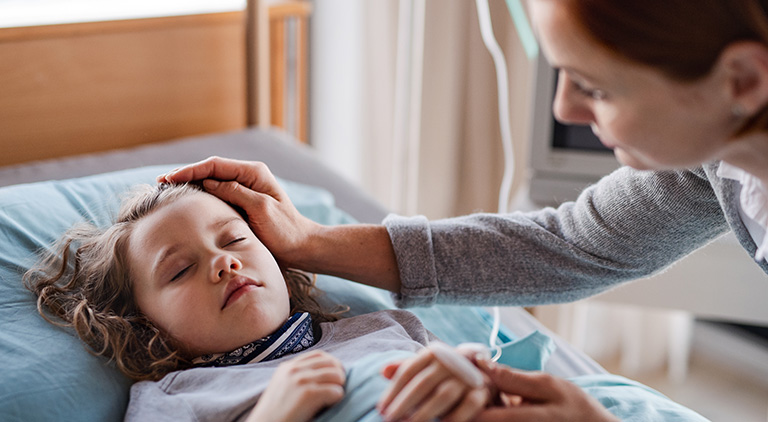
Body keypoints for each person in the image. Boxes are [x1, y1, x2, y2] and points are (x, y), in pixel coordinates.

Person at [158, 0, 768, 420]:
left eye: (597, 87)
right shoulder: (718, 161)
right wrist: (309, 240)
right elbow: (574, 244)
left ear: (742, 81)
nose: (565, 110)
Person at [24, 183, 499, 422]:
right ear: (146, 326)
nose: (223, 264)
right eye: (180, 270)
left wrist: (480, 375)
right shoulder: (175, 401)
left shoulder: (384, 328)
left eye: (233, 240)